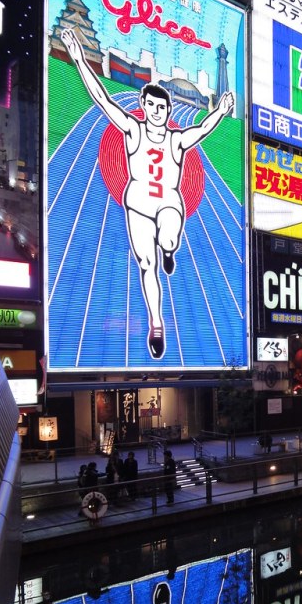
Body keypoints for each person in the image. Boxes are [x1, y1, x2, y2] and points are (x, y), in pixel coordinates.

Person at [61, 27, 234, 360]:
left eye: (162, 107)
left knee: (168, 239)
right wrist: (78, 56)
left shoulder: (176, 139)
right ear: (143, 105)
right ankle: (157, 323)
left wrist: (222, 112)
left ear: (168, 111)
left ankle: (170, 248)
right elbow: (101, 99)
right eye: (152, 105)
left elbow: (202, 129)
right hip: (138, 205)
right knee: (146, 263)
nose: (157, 111)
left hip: (169, 202)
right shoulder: (132, 130)